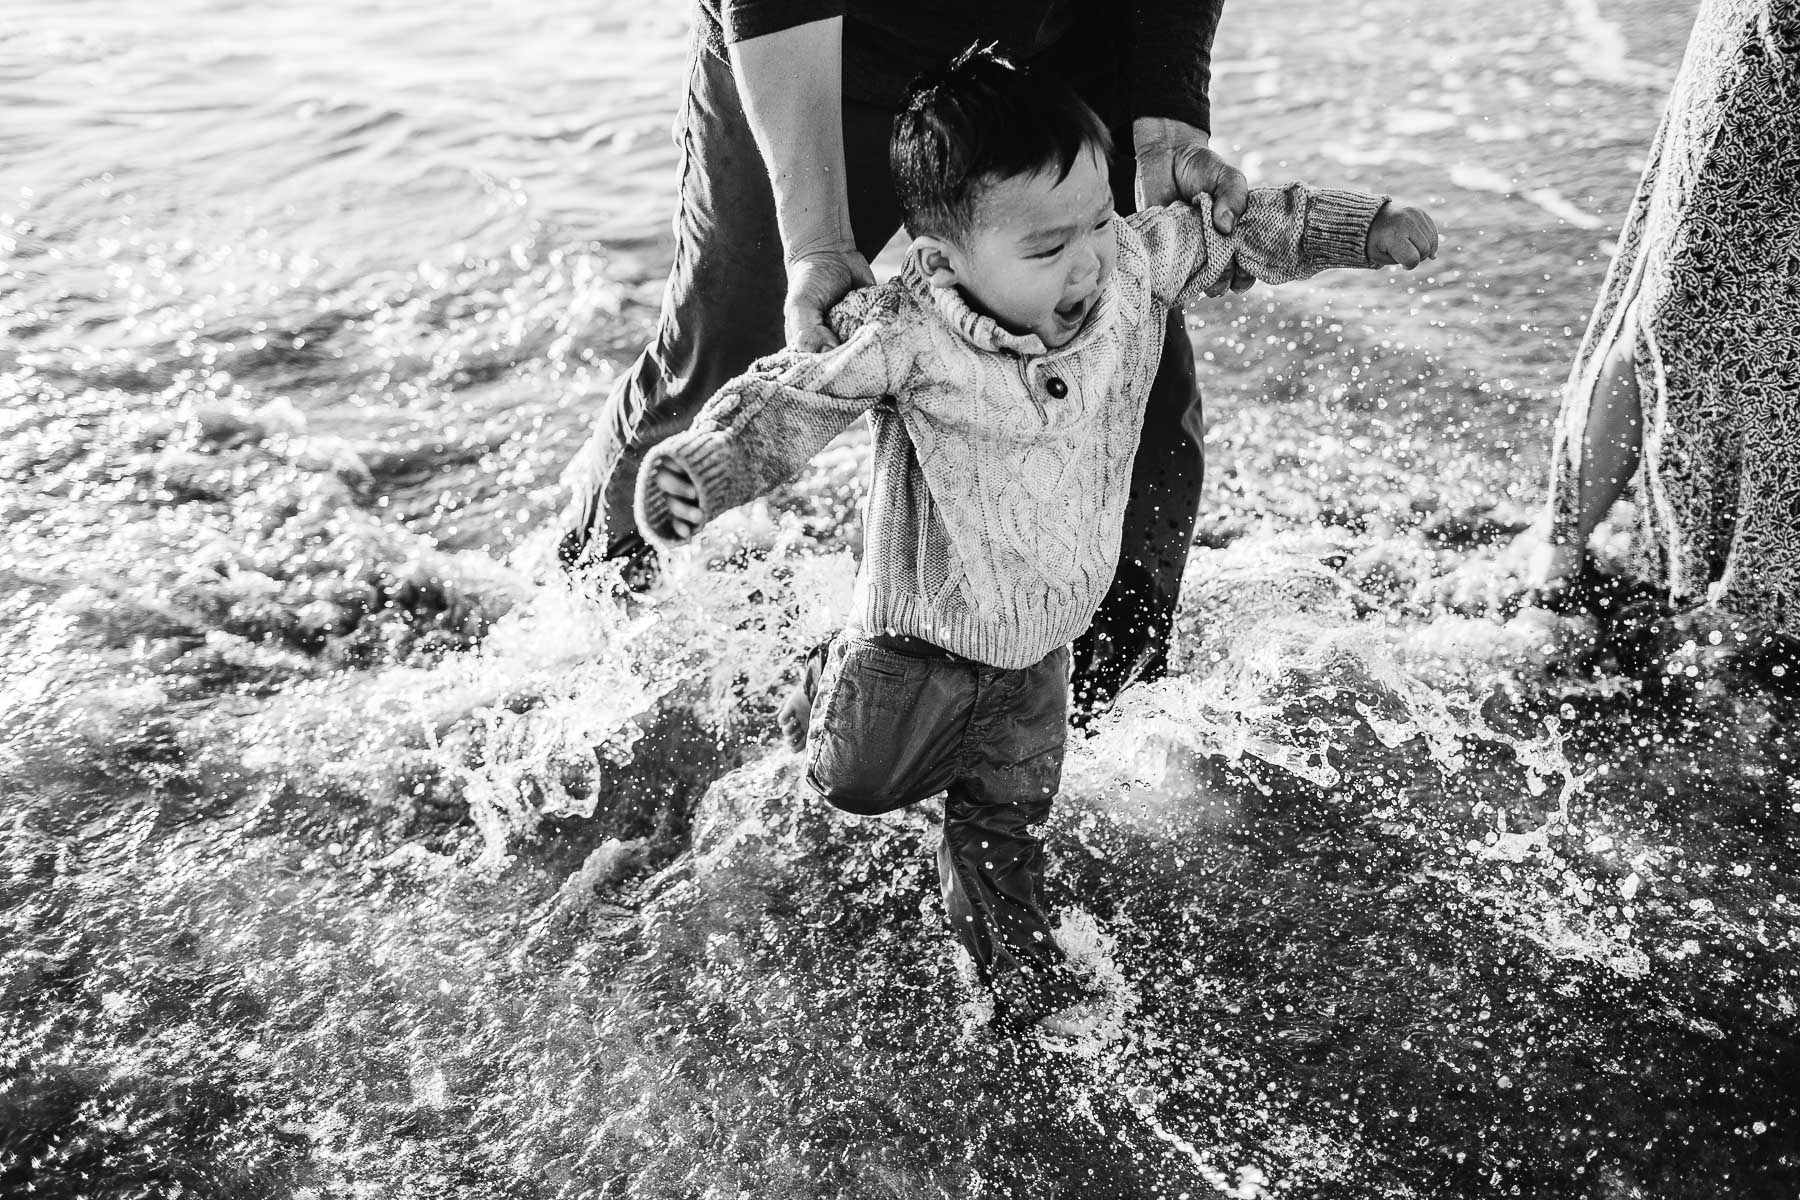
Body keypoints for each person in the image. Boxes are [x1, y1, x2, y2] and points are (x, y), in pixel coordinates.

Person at [633, 48, 1439, 1034]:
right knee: (855, 786)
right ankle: (821, 669)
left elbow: (1246, 226)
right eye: (1048, 245)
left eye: (1097, 220)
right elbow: (790, 401)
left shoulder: (1134, 269)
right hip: (915, 648)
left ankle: (1018, 990)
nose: (1088, 259)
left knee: (1003, 832)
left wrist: (1365, 228)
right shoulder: (906, 332)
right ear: (942, 263)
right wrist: (701, 475)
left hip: (1042, 646)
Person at [557, 0, 1254, 722]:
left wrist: (1168, 125)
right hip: (822, 48)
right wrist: (819, 243)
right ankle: (589, 606)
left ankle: (1095, 723)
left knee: (1134, 379)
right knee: (729, 351)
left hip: (1072, 49)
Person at [1528, 0, 1799, 653]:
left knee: (1776, 344)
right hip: (1771, 58)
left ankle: (1750, 590)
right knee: (1677, 311)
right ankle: (1559, 560)